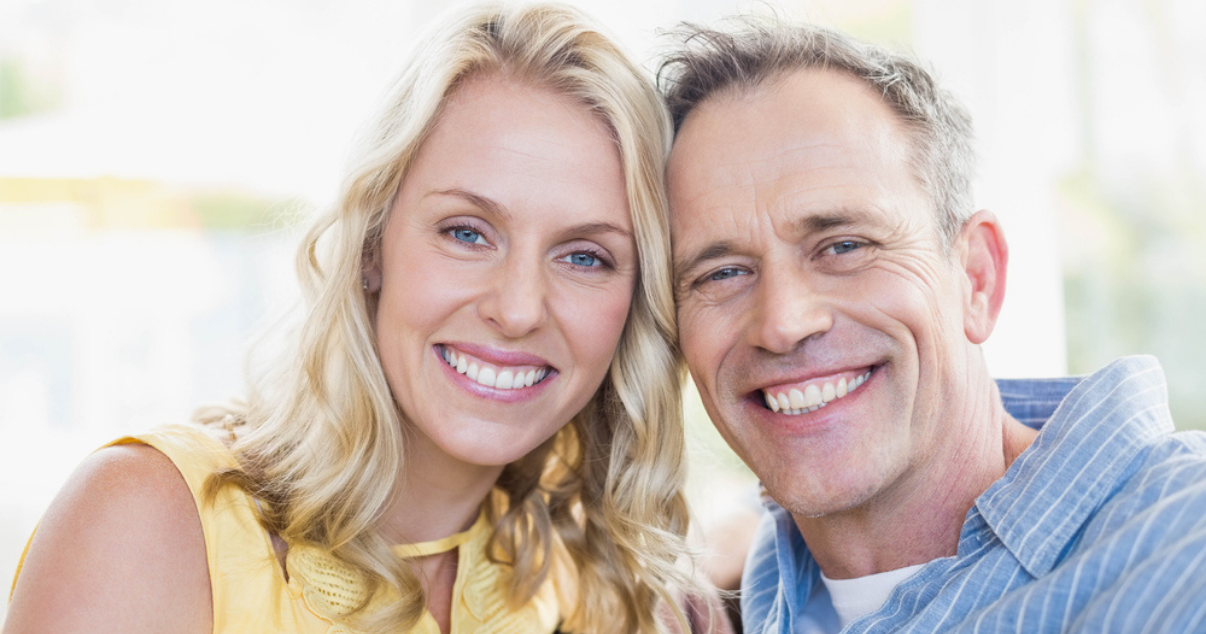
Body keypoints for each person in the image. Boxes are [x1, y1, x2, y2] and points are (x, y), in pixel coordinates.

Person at [4, 4, 716, 633]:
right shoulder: (148, 525)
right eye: (467, 232)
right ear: (373, 246)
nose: (519, 307)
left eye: (585, 256)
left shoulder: (605, 589)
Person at [659, 16, 1206, 634]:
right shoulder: (760, 582)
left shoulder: (1184, 555)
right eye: (722, 274)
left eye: (844, 246)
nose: (783, 323)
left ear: (975, 277)